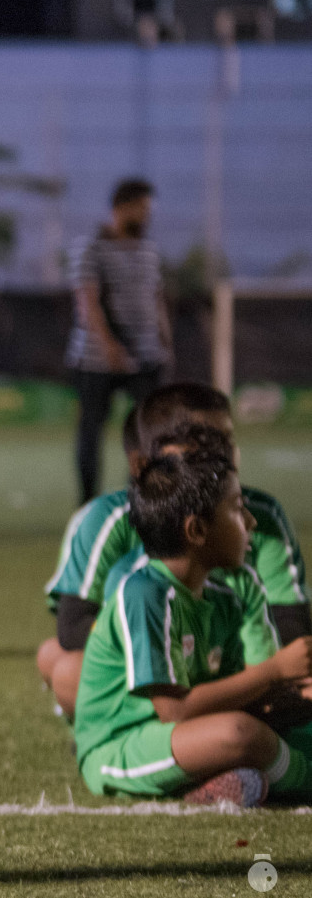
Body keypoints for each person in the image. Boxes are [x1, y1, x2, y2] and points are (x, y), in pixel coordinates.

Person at [73, 447, 312, 806]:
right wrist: (275, 671)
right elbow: (176, 712)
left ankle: (214, 781)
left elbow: (244, 692)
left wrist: (295, 694)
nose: (251, 522)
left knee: (273, 725)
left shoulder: (228, 594)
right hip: (121, 746)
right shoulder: (145, 594)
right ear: (197, 530)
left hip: (195, 732)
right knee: (239, 733)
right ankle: (300, 780)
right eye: (237, 508)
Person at [135, 383, 308, 642]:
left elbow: (292, 624)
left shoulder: (264, 519)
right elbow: (79, 624)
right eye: (203, 444)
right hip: (168, 667)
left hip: (241, 665)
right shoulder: (120, 523)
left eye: (227, 441)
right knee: (62, 662)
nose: (223, 456)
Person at [68, 178, 171, 503]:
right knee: (91, 432)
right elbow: (88, 301)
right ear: (121, 209)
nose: (146, 216)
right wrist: (111, 346)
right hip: (97, 359)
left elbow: (156, 299)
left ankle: (138, 502)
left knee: (148, 434)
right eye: (141, 209)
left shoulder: (149, 251)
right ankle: (88, 505)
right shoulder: (91, 248)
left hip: (145, 357)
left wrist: (165, 341)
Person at [36, 408, 145, 714]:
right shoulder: (105, 520)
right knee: (58, 661)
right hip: (149, 663)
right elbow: (72, 627)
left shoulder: (248, 521)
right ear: (141, 462)